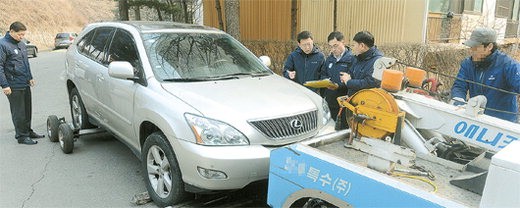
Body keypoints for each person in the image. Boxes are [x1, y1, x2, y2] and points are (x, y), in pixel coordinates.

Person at [451, 27, 520, 122]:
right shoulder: (467, 64)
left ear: (489, 47)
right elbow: (459, 86)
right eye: (471, 47)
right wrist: (458, 100)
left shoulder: (507, 65)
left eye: (476, 47)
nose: (472, 50)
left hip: (503, 124)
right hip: (477, 120)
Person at [0, 21, 44, 145]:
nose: (21, 37)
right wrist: (4, 85)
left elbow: (26, 62)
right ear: (11, 31)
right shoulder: (2, 45)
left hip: (24, 82)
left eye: (23, 34)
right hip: (12, 84)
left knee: (27, 109)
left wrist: (30, 77)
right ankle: (22, 136)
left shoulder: (21, 44)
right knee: (18, 111)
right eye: (19, 34)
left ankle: (28, 131)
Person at [320, 31, 354, 123]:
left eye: (335, 45)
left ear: (343, 42)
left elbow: (352, 81)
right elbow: (323, 73)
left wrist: (338, 86)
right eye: (330, 46)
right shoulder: (329, 59)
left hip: (344, 103)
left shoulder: (352, 59)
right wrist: (325, 81)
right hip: (330, 101)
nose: (333, 49)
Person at [340, 31, 383, 96]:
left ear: (362, 46)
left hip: (366, 102)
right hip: (353, 100)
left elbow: (369, 84)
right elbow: (351, 73)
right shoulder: (357, 57)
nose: (352, 48)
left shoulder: (378, 62)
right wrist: (345, 77)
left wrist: (349, 82)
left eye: (354, 45)